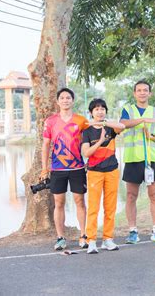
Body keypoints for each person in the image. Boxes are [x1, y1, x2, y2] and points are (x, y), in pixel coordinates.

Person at [120, 80, 155, 243]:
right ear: (134, 93)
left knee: (154, 195)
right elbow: (123, 124)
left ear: (149, 93)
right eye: (139, 90)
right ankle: (133, 231)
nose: (142, 93)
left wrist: (152, 137)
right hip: (133, 158)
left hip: (152, 160)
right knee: (131, 195)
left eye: (145, 90)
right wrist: (142, 121)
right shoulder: (128, 110)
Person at [41, 88, 89, 250]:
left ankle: (83, 235)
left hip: (77, 168)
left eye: (68, 97)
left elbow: (88, 141)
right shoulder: (50, 121)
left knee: (79, 201)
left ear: (72, 101)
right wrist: (44, 168)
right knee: (59, 202)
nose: (65, 100)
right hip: (57, 169)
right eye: (62, 98)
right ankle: (60, 238)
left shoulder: (81, 121)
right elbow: (46, 145)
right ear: (57, 101)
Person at [82, 99, 125, 254]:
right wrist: (100, 141)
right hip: (94, 172)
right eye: (96, 109)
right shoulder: (87, 130)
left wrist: (106, 123)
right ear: (91, 112)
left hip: (112, 170)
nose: (100, 112)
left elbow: (122, 127)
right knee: (93, 207)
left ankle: (108, 239)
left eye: (102, 109)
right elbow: (86, 152)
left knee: (110, 206)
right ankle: (91, 240)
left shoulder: (110, 127)